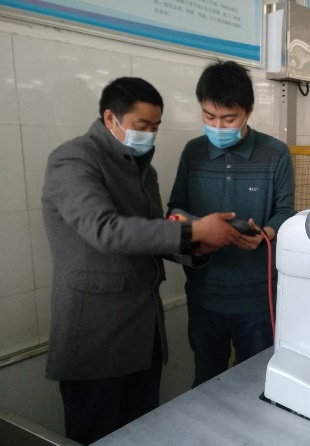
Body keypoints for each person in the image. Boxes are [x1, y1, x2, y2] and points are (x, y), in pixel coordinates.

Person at [41, 77, 240, 445]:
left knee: (143, 432)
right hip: (96, 337)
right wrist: (194, 231)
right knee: (97, 434)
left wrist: (197, 248)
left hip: (144, 333)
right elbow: (106, 231)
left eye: (155, 126)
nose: (149, 134)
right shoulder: (73, 159)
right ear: (110, 118)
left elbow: (151, 232)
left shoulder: (143, 169)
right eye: (142, 125)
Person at [167, 60, 296, 388]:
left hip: (258, 298)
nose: (218, 126)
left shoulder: (275, 154)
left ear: (249, 111)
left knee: (258, 383)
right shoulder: (193, 153)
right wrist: (198, 228)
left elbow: (285, 212)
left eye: (229, 119)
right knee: (206, 382)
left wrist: (264, 234)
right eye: (209, 117)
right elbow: (176, 208)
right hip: (204, 295)